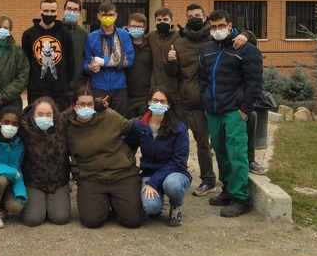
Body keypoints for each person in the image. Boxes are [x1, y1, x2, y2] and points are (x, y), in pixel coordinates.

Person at [165, 3, 252, 197]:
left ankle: (209, 180)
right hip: (183, 99)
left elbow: (239, 37)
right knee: (175, 141)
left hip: (205, 103)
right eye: (190, 16)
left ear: (205, 17)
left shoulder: (213, 39)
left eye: (197, 15)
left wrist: (248, 34)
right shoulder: (179, 42)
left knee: (204, 143)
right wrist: (170, 61)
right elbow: (174, 73)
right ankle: (174, 176)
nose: (193, 18)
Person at [198, 9, 263, 218]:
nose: (217, 30)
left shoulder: (245, 49)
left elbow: (254, 83)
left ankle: (240, 197)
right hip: (214, 111)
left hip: (235, 111)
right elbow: (204, 78)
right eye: (213, 27)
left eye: (221, 26)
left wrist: (245, 109)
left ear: (229, 25)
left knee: (236, 153)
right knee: (221, 152)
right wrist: (205, 97)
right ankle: (227, 189)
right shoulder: (208, 49)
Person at [65, 86, 143, 229]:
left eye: (90, 104)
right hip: (92, 178)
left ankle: (116, 202)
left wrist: (151, 117)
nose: (86, 107)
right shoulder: (69, 130)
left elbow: (130, 125)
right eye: (82, 104)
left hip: (122, 175)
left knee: (133, 221)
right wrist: (77, 177)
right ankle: (104, 201)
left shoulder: (110, 116)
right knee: (91, 221)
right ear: (74, 106)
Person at [125, 87, 192, 227]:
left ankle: (176, 206)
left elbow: (178, 161)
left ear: (169, 105)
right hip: (150, 172)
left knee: (173, 186)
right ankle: (157, 202)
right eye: (155, 100)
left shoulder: (178, 128)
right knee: (151, 207)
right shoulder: (139, 125)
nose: (159, 104)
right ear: (149, 102)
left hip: (175, 172)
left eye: (163, 101)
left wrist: (153, 183)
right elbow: (128, 145)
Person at [18, 96, 72, 226]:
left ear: (54, 114)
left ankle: (52, 203)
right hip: (34, 181)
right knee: (33, 219)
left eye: (48, 114)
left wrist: (99, 103)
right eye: (40, 114)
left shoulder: (61, 123)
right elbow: (6, 121)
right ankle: (40, 204)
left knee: (61, 218)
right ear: (33, 114)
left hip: (58, 181)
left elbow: (77, 108)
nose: (44, 117)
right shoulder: (25, 127)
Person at [21, 0, 75, 112]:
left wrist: (63, 83)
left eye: (52, 11)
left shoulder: (65, 34)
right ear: (40, 11)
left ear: (57, 12)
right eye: (46, 11)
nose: (49, 14)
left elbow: (70, 63)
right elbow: (26, 63)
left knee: (59, 123)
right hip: (36, 90)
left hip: (59, 91)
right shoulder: (28, 35)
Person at [83, 1, 134, 114]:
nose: (107, 18)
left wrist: (103, 61)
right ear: (98, 16)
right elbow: (86, 62)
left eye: (110, 15)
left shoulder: (124, 35)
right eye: (104, 15)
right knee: (98, 121)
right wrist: (90, 67)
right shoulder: (91, 37)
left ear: (116, 16)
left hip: (119, 87)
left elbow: (129, 60)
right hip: (98, 87)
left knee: (119, 122)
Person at [0, 15, 30, 120]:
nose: (2, 30)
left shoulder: (18, 52)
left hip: (12, 103)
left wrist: (3, 97)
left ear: (10, 30)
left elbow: (22, 77)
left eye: (6, 28)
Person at [125, 12, 153, 119]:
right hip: (126, 96)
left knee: (144, 129)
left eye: (139, 26)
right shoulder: (124, 45)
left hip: (145, 96)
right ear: (128, 27)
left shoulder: (150, 45)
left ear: (144, 28)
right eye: (133, 26)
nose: (136, 29)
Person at [63, 0, 88, 93]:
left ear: (80, 13)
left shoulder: (84, 34)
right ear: (64, 10)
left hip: (79, 86)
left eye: (75, 9)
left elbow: (86, 57)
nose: (72, 12)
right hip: (59, 86)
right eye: (69, 9)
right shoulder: (57, 30)